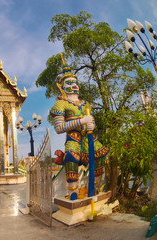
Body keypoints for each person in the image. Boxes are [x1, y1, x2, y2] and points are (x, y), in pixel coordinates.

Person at [50, 54, 109, 200]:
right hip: (74, 137)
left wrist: (91, 124)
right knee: (71, 157)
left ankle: (94, 187)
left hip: (88, 137)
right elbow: (59, 128)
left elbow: (92, 124)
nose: (73, 85)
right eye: (69, 83)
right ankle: (73, 192)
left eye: (75, 82)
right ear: (62, 87)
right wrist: (81, 121)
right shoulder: (61, 104)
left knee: (101, 153)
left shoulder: (85, 104)